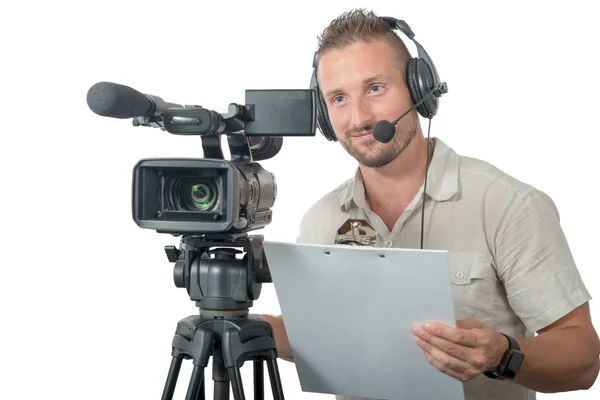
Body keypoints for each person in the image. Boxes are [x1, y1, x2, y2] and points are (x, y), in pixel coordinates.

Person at [257, 8, 600, 400]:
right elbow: (314, 333)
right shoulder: (320, 220)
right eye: (338, 98)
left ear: (419, 90)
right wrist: (240, 326)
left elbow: (584, 358)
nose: (359, 118)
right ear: (323, 113)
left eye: (375, 89)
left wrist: (503, 354)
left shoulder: (508, 205)